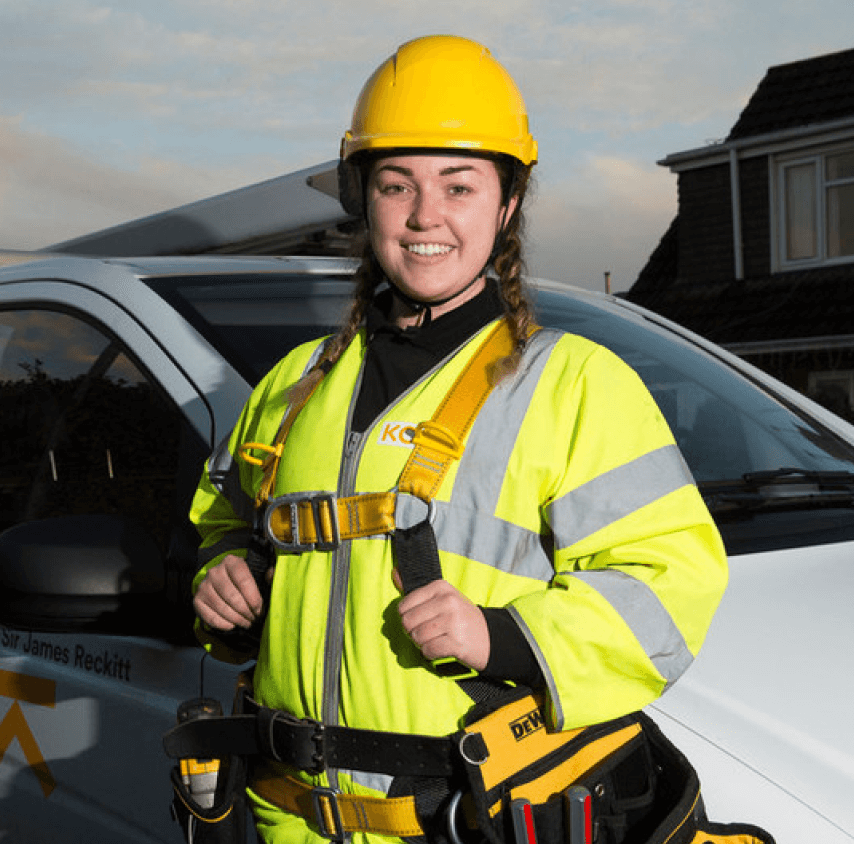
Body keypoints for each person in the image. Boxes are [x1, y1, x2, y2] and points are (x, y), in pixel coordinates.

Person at [187, 34, 727, 844]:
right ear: (362, 199)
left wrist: (504, 636)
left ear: (506, 205)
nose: (424, 215)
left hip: (466, 820)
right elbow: (223, 526)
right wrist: (225, 583)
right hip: (284, 820)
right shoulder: (291, 388)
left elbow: (671, 585)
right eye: (396, 184)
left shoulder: (572, 382)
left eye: (459, 185)